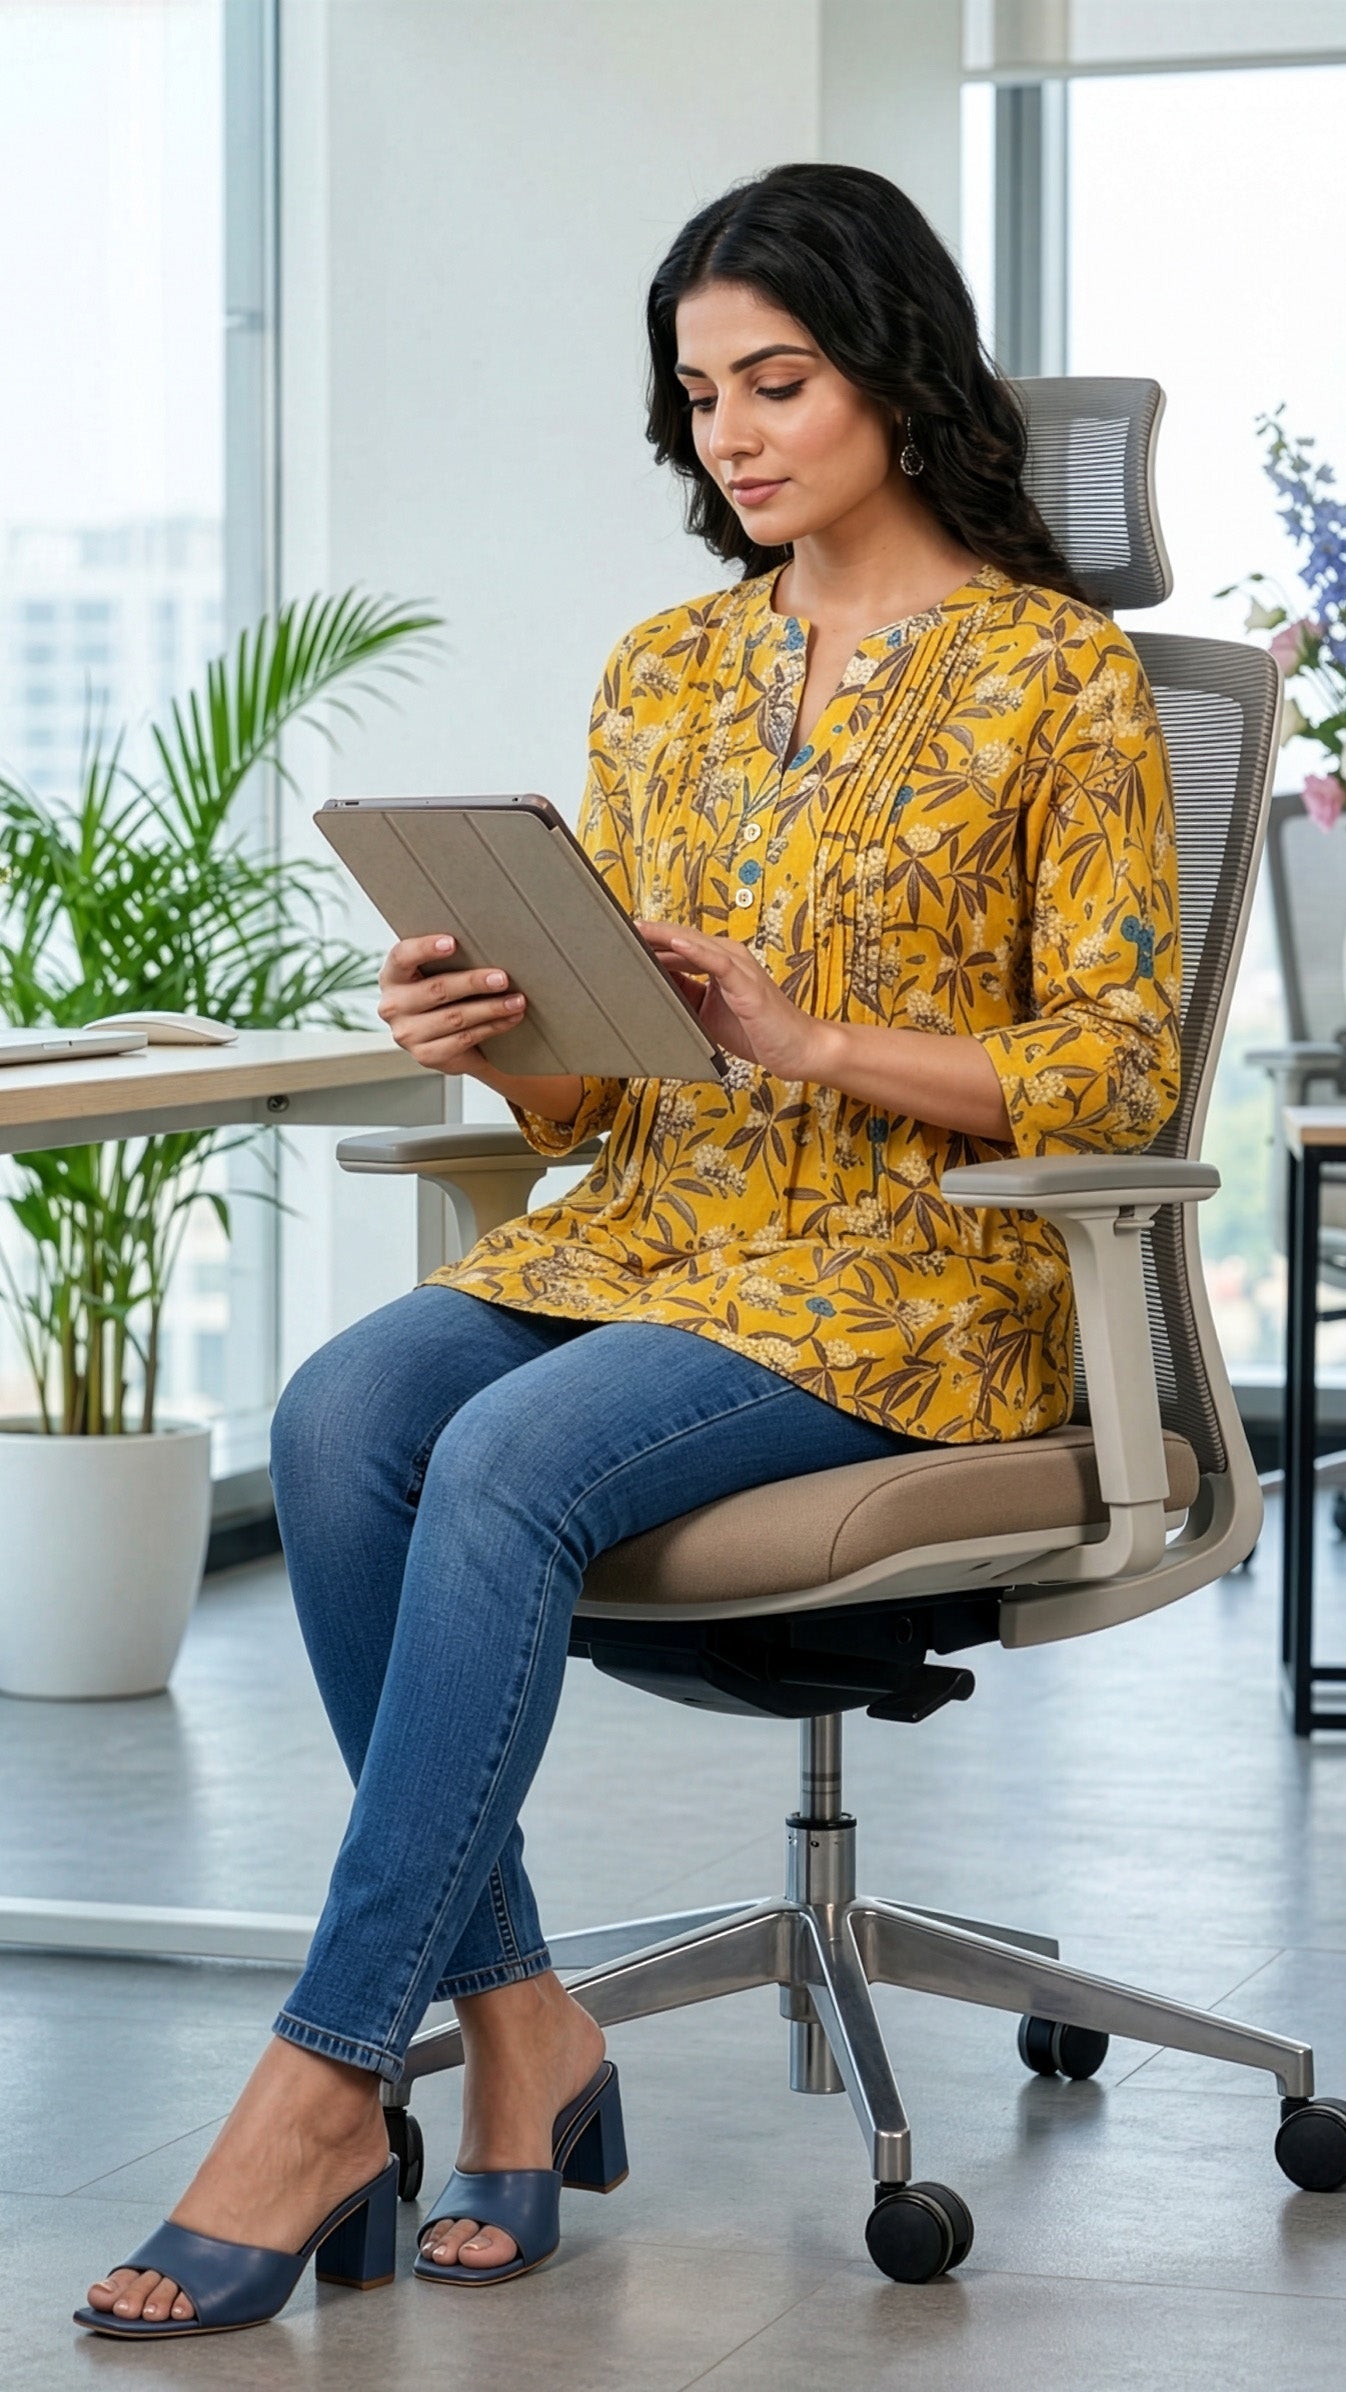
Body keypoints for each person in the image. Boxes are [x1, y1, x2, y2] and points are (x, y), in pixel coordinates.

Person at [78, 160, 1179, 2337]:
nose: (734, 434)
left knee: (499, 1460)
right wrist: (496, 1038)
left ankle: (318, 2086)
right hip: (662, 1227)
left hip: (917, 1269)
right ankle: (519, 2018)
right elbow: (610, 1092)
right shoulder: (664, 671)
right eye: (698, 396)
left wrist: (812, 1032)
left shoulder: (1061, 680)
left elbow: (1120, 1077)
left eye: (776, 380)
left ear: (894, 372)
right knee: (346, 1407)